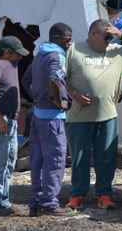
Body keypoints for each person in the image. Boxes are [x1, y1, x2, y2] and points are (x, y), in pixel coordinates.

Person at [65, 20, 122, 210]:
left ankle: (104, 194)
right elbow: (62, 78)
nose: (109, 41)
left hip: (107, 115)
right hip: (79, 116)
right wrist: (74, 95)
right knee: (80, 158)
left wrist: (120, 34)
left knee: (106, 158)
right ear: (93, 34)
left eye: (110, 37)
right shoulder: (74, 50)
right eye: (106, 37)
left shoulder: (117, 50)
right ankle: (77, 194)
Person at [21, 23, 75, 216]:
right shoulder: (56, 56)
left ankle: (36, 201)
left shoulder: (40, 55)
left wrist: (38, 97)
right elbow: (54, 79)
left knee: (37, 160)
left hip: (38, 116)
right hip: (53, 118)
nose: (70, 44)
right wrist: (58, 101)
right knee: (55, 160)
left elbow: (26, 80)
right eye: (68, 40)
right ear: (58, 39)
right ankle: (50, 203)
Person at [0, 36, 29, 217]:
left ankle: (2, 200)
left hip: (9, 119)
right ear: (7, 52)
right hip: (0, 120)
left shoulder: (9, 65)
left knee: (8, 161)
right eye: (17, 53)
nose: (20, 57)